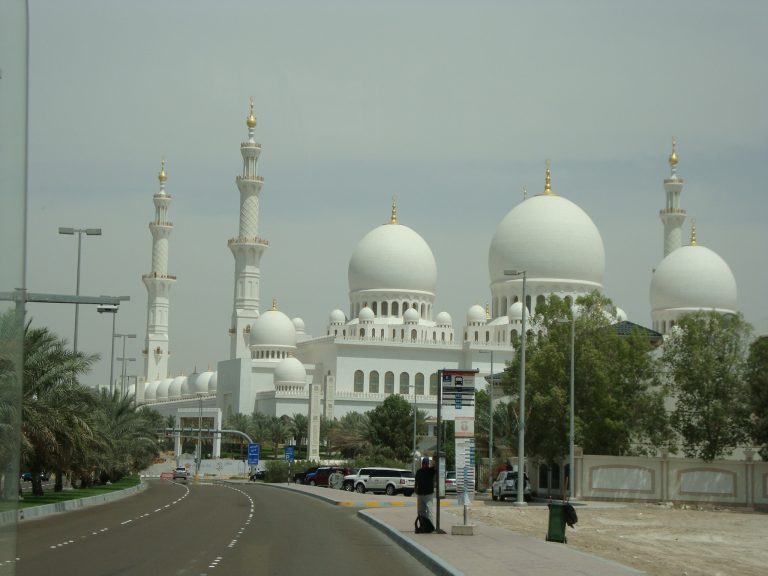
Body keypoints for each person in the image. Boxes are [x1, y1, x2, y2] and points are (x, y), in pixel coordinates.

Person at [414, 456, 436, 525]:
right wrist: (415, 488)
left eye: (426, 463)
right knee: (420, 511)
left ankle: (430, 526)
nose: (425, 464)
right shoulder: (419, 471)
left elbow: (436, 466)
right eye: (423, 463)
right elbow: (416, 481)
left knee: (429, 511)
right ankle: (422, 525)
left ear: (428, 464)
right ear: (422, 463)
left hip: (428, 494)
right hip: (420, 494)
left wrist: (434, 459)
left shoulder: (431, 470)